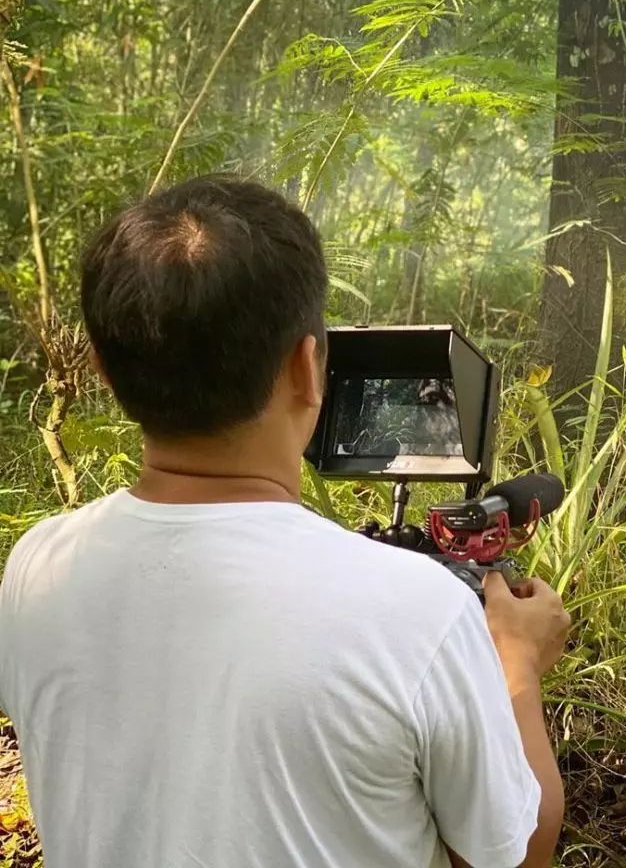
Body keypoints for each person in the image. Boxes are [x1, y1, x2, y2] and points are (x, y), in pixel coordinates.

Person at [0, 175, 571, 868]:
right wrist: (518, 667)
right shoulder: (417, 612)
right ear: (307, 366)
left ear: (104, 373)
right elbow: (517, 851)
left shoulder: (35, 567)